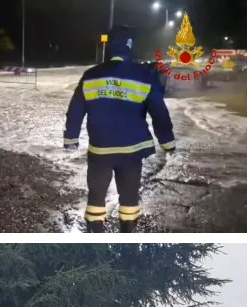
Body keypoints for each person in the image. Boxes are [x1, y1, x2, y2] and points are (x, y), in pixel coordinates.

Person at [64, 24, 175, 232]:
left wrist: (71, 138)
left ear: (109, 46)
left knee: (96, 196)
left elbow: (75, 110)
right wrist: (167, 142)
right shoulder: (144, 76)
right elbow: (159, 113)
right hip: (131, 152)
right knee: (130, 198)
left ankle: (96, 239)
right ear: (130, 46)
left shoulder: (91, 76)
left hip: (100, 151)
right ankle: (127, 237)